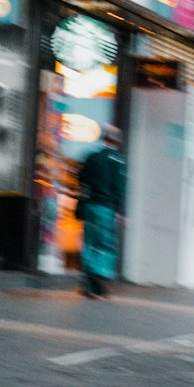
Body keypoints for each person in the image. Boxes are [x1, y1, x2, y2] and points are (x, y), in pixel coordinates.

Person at [77, 123, 126, 298]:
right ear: (118, 142)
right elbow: (119, 188)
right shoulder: (119, 161)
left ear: (104, 138)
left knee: (89, 243)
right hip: (106, 208)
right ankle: (100, 281)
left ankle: (90, 284)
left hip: (90, 206)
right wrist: (119, 212)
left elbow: (82, 180)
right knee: (105, 244)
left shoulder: (92, 157)